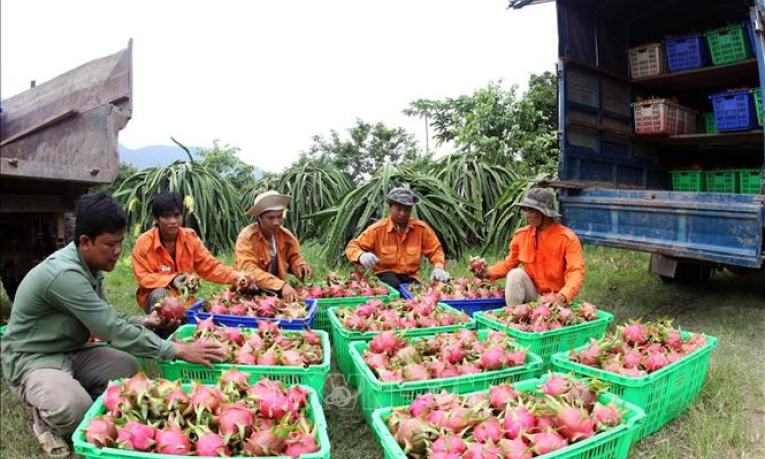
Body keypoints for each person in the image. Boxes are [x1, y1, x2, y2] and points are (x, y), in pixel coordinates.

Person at [0, 192, 227, 458]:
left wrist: (144, 320)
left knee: (128, 367)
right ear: (85, 241)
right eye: (110, 244)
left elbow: (105, 315)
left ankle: (66, 385)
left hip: (73, 349)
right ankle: (44, 417)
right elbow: (111, 329)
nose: (118, 251)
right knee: (76, 411)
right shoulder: (65, 274)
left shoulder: (89, 266)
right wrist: (174, 350)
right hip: (34, 358)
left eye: (120, 243)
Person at [132, 191, 246, 312]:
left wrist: (236, 277)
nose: (173, 221)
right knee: (160, 295)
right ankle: (157, 328)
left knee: (214, 310)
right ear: (156, 219)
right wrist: (172, 279)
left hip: (186, 299)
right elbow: (143, 278)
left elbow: (210, 267)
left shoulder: (190, 237)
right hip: (156, 298)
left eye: (177, 215)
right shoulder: (144, 243)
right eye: (166, 216)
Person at [474, 187, 585, 306]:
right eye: (526, 210)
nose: (527, 215)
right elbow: (509, 264)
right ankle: (513, 315)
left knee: (558, 300)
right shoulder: (522, 235)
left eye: (532, 211)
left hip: (557, 298)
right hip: (534, 293)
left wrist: (562, 296)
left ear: (545, 213)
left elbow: (576, 272)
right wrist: (488, 272)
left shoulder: (567, 238)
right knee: (515, 274)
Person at [345, 187, 450, 291]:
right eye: (399, 209)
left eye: (407, 210)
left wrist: (438, 267)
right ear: (390, 207)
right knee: (393, 285)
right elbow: (352, 246)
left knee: (419, 293)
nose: (403, 214)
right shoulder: (377, 229)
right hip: (384, 275)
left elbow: (435, 250)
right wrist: (361, 255)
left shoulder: (421, 229)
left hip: (410, 277)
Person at [234, 190, 313, 302]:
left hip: (277, 293)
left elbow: (294, 257)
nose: (276, 222)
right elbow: (248, 270)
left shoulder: (286, 236)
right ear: (259, 218)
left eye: (279, 216)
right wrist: (281, 285)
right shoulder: (247, 238)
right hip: (249, 295)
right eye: (270, 218)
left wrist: (300, 265)